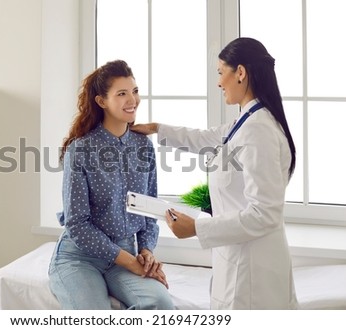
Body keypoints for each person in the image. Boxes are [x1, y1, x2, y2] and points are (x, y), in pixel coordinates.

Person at [131, 37, 298, 310]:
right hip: (239, 259)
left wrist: (197, 227)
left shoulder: (259, 130)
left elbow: (264, 214)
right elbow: (207, 138)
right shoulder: (247, 119)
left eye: (221, 73)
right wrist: (157, 128)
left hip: (252, 272)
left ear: (240, 73)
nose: (219, 82)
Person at [48, 60, 174, 310]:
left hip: (126, 254)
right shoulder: (81, 150)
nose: (133, 100)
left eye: (135, 91)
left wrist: (147, 252)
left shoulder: (143, 146)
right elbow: (77, 224)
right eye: (122, 94)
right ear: (102, 101)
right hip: (80, 258)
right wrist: (130, 262)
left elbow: (150, 209)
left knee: (160, 303)